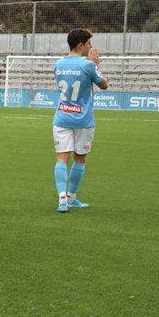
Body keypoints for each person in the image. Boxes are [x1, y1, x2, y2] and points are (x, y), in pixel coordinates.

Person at [52, 28, 109, 213]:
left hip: (61, 117)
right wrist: (96, 65)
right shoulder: (88, 66)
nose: (91, 46)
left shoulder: (58, 64)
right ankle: (71, 197)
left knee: (61, 159)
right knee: (79, 159)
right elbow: (104, 85)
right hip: (83, 120)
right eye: (89, 43)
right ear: (80, 45)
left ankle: (61, 199)